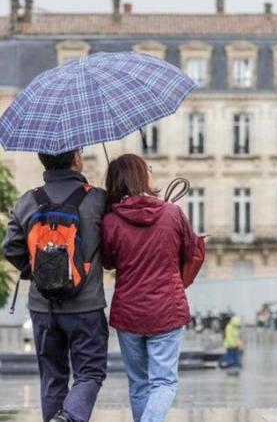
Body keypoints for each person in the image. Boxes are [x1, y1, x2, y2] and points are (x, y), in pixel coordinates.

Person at [2, 149, 108, 422]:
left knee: (52, 377)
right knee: (90, 372)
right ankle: (70, 417)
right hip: (86, 305)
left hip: (43, 305)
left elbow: (10, 248)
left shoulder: (28, 200)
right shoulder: (97, 199)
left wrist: (37, 272)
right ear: (76, 159)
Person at [101, 154, 199, 422]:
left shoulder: (110, 220)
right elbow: (190, 251)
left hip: (129, 312)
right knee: (164, 382)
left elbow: (108, 262)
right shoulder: (172, 213)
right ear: (142, 177)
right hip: (167, 308)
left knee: (139, 383)